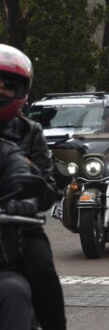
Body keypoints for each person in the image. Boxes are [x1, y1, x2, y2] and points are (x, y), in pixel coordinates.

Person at [0, 43, 66, 329]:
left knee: (42, 275)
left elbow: (46, 186)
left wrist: (26, 203)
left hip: (19, 227)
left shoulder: (30, 132)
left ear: (22, 92)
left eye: (7, 86)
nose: (0, 91)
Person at [0, 138, 43, 330]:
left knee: (14, 290)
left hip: (3, 266)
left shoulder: (6, 152)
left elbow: (21, 174)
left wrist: (23, 201)